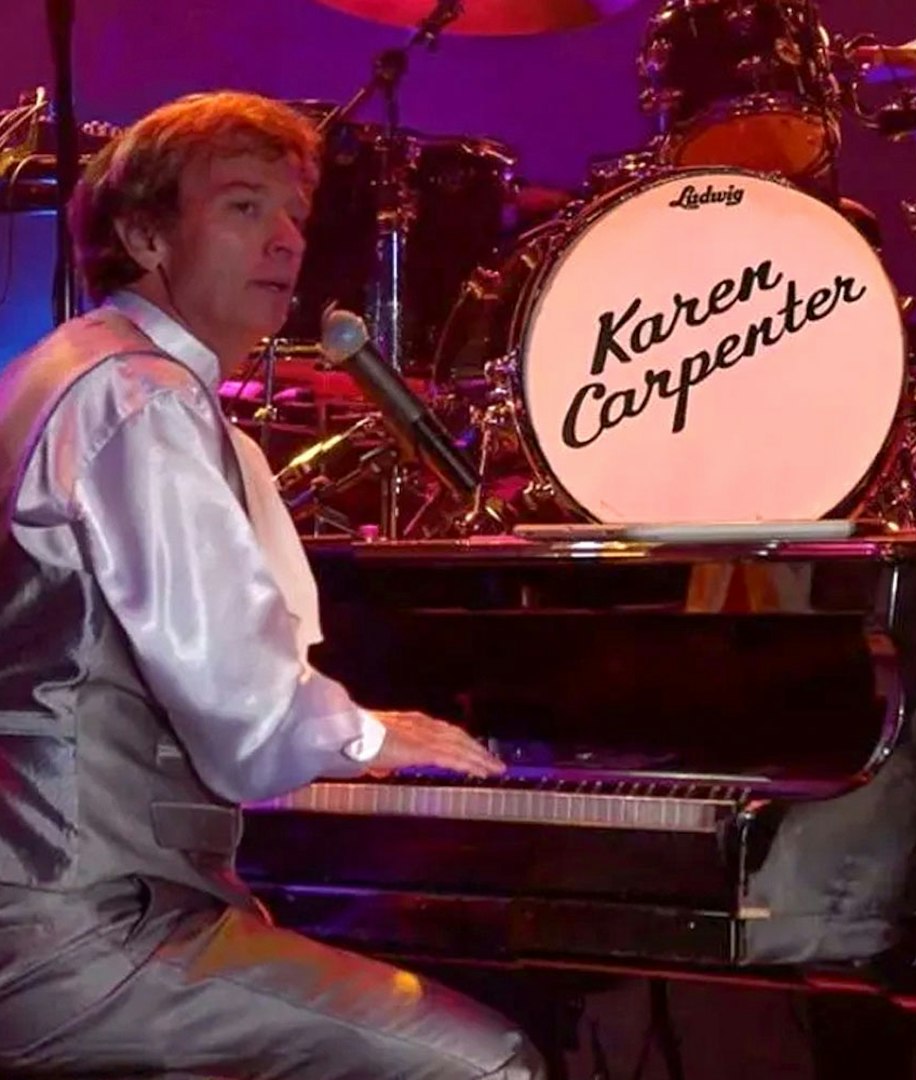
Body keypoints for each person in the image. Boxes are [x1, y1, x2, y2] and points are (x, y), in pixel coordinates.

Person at [0, 91, 544, 1078]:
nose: (286, 240)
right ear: (142, 233)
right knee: (483, 1061)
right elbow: (249, 727)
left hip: (76, 908)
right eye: (244, 207)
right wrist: (374, 737)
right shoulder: (138, 400)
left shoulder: (64, 372)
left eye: (293, 212)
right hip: (79, 932)